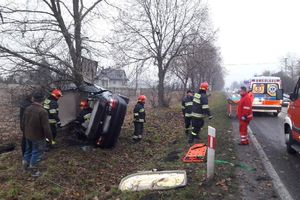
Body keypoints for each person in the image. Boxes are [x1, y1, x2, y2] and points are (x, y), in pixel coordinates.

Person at [21, 91, 53, 177]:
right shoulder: (42, 111)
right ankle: (34, 171)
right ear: (43, 100)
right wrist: (50, 140)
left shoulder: (27, 108)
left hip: (27, 135)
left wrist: (25, 133)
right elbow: (46, 128)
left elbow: (23, 123)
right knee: (36, 152)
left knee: (28, 150)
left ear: (33, 99)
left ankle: (25, 167)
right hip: (38, 137)